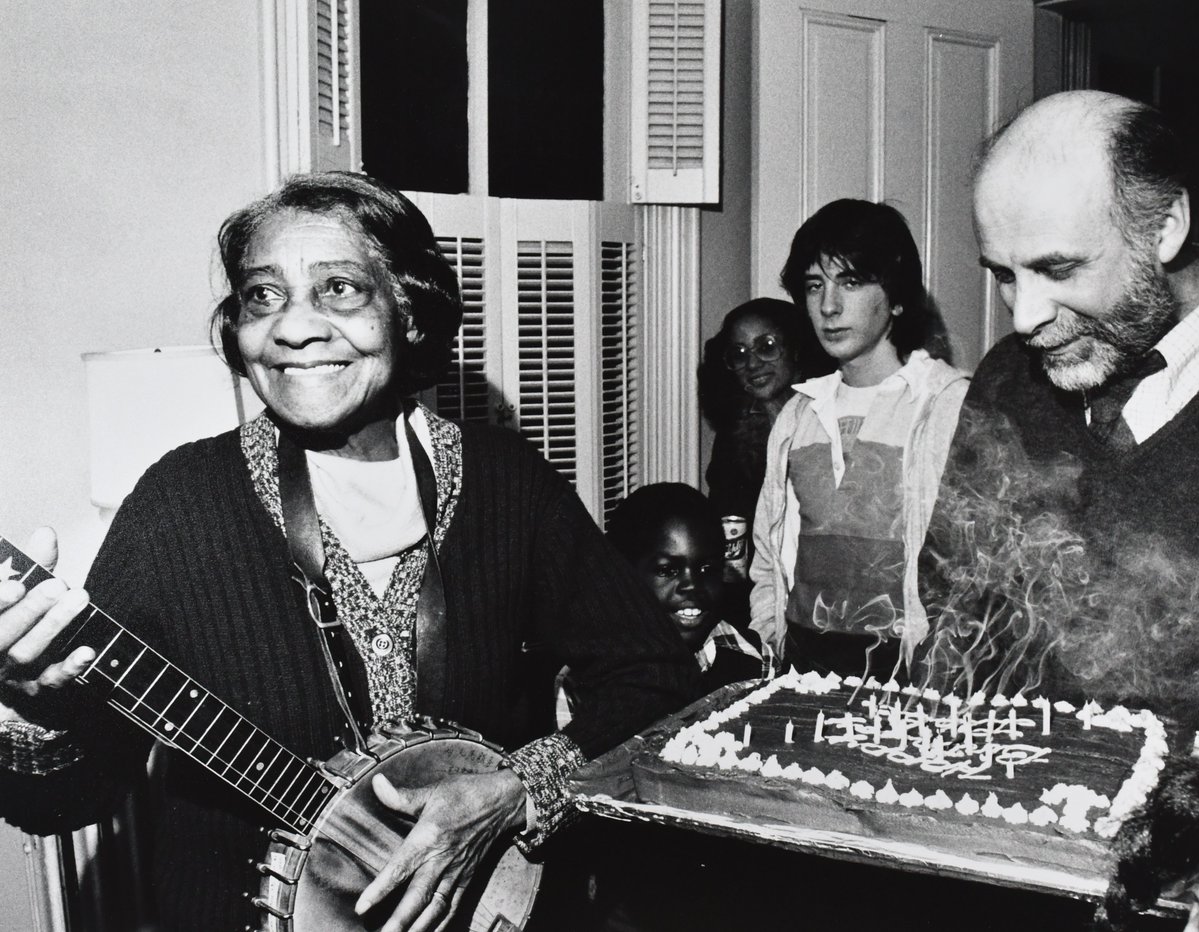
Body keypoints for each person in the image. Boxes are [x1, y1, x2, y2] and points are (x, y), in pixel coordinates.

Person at [0, 172, 699, 932]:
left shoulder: (509, 483)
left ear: (410, 313)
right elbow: (66, 799)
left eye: (339, 289)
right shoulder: (178, 505)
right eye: (262, 296)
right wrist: (33, 706)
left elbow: (654, 679)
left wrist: (513, 791)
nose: (294, 328)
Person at [910, 91, 1199, 929]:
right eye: (1003, 274)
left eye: (1058, 269)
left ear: (1167, 226)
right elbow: (957, 606)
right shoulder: (1008, 379)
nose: (1025, 317)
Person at [749, 199, 968, 681]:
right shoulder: (798, 415)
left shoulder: (945, 405)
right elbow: (767, 555)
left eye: (850, 281)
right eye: (813, 286)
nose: (828, 306)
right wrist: (775, 642)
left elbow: (974, 570)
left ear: (895, 297)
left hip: (909, 679)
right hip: (805, 674)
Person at [607, 483, 773, 692]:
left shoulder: (756, 660)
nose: (692, 585)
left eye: (706, 568)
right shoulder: (587, 682)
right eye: (667, 570)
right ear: (624, 577)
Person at [699, 298, 833, 527]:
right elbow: (729, 524)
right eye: (740, 353)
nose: (752, 364)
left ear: (795, 348)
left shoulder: (829, 419)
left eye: (767, 347)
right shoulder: (732, 439)